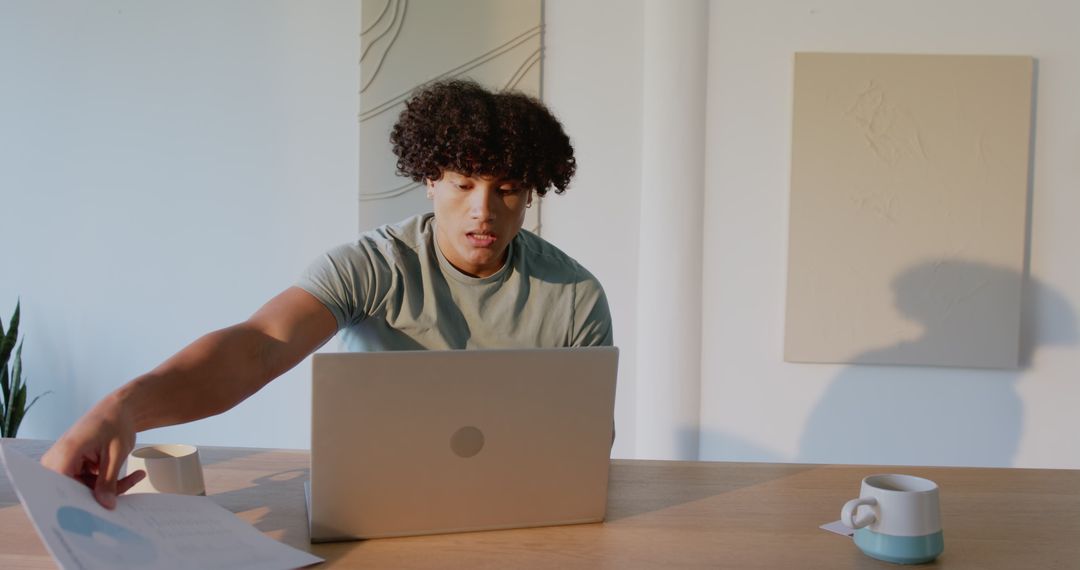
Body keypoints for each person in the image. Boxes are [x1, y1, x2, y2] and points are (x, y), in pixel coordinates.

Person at [41, 79, 613, 509]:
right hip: (375, 497)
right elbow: (260, 343)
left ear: (533, 192)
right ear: (431, 179)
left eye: (507, 190)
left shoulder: (576, 295)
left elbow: (586, 441)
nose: (483, 210)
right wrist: (122, 408)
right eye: (464, 185)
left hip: (512, 505)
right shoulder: (373, 265)